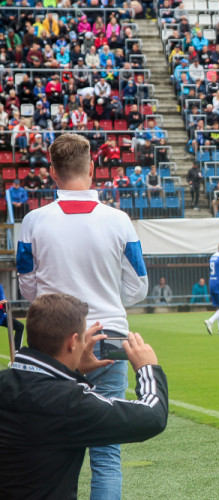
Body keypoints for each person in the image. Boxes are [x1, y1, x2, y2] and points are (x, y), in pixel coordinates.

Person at [16, 133, 149, 500]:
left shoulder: (33, 221)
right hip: (109, 338)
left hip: (53, 345)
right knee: (106, 453)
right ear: (92, 168)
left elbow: (27, 290)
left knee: (46, 444)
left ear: (53, 173)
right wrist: (105, 296)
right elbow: (139, 288)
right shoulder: (119, 220)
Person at [0, 293, 167, 499]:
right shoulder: (69, 402)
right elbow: (153, 416)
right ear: (73, 342)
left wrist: (76, 373)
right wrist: (147, 368)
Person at [0, 283, 24, 351]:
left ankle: (16, 352)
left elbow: (3, 299)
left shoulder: (0, 287)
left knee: (19, 326)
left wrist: (4, 303)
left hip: (1, 317)